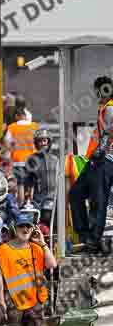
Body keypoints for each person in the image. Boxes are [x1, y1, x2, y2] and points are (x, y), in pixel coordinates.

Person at [69, 76, 113, 253]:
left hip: (105, 160)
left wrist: (100, 152)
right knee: (76, 193)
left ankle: (94, 240)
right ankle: (85, 235)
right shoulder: (104, 108)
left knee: (98, 200)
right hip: (97, 160)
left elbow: (109, 133)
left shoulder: (110, 109)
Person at [3, 107, 40, 201]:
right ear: (25, 115)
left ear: (17, 116)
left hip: (18, 161)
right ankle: (30, 203)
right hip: (33, 161)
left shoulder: (12, 127)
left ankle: (21, 206)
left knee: (20, 184)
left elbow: (7, 141)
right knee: (31, 184)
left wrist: (11, 150)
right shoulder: (34, 126)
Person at [24, 128, 59, 208]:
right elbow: (28, 182)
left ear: (49, 142)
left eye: (45, 141)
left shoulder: (56, 159)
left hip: (55, 199)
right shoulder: (31, 159)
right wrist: (27, 199)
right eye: (40, 141)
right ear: (36, 143)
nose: (43, 143)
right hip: (38, 200)